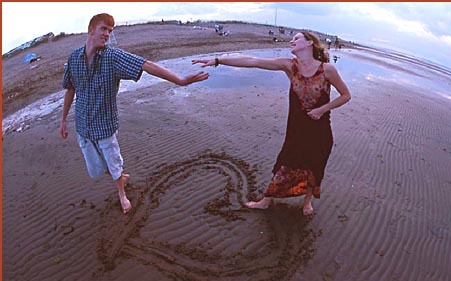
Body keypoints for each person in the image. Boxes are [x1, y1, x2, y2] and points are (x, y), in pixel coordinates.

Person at [60, 13, 209, 214]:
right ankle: (120, 176)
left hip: (104, 126)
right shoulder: (74, 58)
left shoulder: (113, 57)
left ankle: (122, 193)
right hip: (83, 126)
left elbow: (146, 65)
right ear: (91, 30)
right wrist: (63, 120)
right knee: (96, 168)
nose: (107, 34)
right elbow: (70, 89)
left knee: (113, 163)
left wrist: (179, 80)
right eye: (104, 29)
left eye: (110, 31)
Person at [192, 31, 351, 216]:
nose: (292, 41)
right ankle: (265, 201)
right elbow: (253, 61)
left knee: (315, 166)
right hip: (296, 129)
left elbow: (346, 95)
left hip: (320, 130)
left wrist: (321, 110)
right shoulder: (290, 66)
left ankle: (307, 202)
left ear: (309, 43)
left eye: (296, 38)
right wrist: (218, 60)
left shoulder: (327, 70)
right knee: (285, 162)